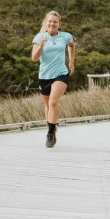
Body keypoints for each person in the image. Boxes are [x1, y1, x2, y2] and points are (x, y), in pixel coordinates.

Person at [32, 11, 75, 148]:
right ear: (46, 22)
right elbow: (34, 58)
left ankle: (50, 133)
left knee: (53, 101)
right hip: (44, 76)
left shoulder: (65, 36)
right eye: (50, 21)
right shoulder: (39, 37)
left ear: (59, 24)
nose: (52, 24)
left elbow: (72, 45)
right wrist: (40, 47)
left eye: (55, 22)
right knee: (47, 106)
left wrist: (71, 62)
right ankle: (53, 125)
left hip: (61, 74)